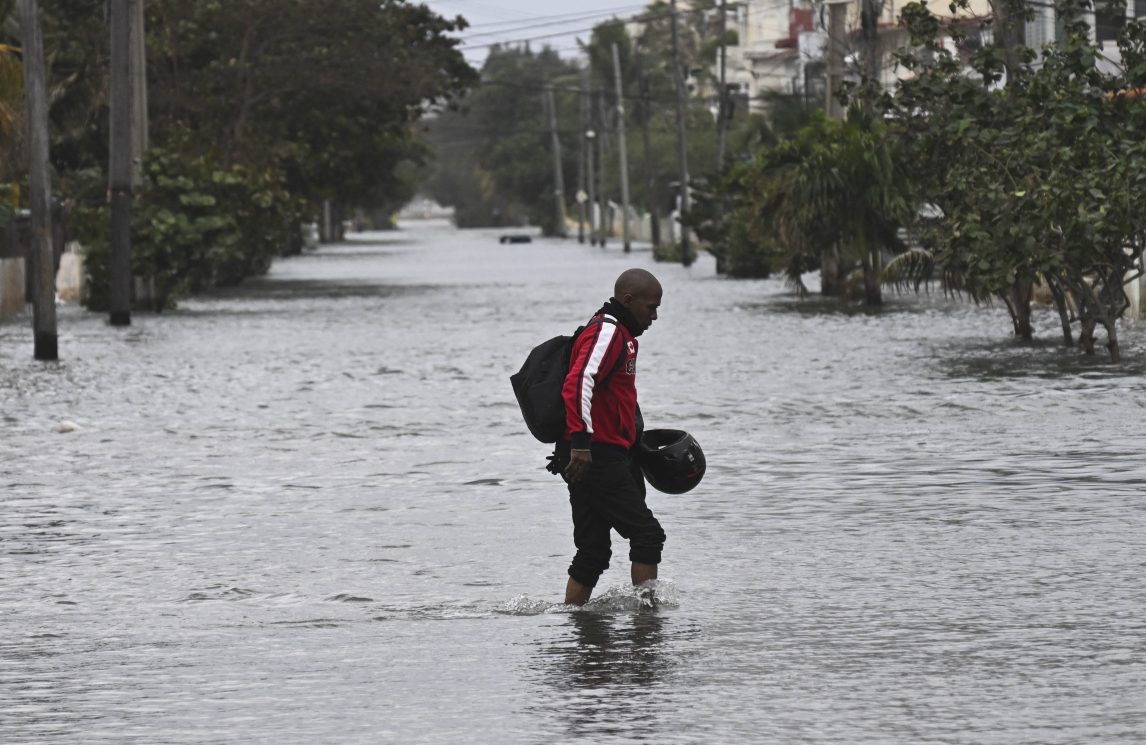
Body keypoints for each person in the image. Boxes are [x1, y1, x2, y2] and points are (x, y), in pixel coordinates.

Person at [556, 268, 666, 606]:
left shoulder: (620, 335)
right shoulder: (608, 330)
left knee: (593, 551)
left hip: (598, 453)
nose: (655, 316)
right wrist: (581, 444)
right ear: (628, 300)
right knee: (647, 534)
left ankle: (573, 626)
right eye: (650, 307)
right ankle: (648, 625)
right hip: (593, 455)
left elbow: (614, 399)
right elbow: (578, 384)